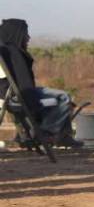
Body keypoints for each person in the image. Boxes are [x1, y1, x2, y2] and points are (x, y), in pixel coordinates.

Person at [0, 18, 82, 148]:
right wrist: (34, 105)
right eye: (25, 34)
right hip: (20, 95)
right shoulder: (15, 53)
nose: (28, 37)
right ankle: (45, 132)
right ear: (16, 34)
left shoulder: (5, 51)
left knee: (60, 99)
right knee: (64, 97)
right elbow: (25, 85)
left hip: (10, 95)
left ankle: (63, 136)